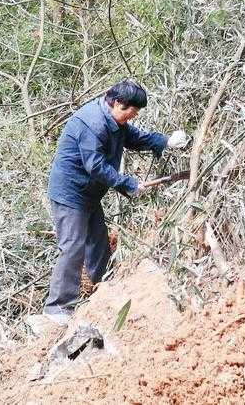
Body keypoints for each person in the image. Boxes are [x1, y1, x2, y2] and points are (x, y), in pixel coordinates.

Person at [44, 80, 186, 323]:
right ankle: (57, 307)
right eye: (134, 111)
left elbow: (135, 137)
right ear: (119, 104)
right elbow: (95, 166)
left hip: (88, 195)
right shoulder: (92, 123)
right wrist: (128, 184)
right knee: (72, 247)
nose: (135, 116)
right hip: (70, 194)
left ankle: (102, 290)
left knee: (98, 243)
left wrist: (165, 141)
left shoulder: (115, 121)